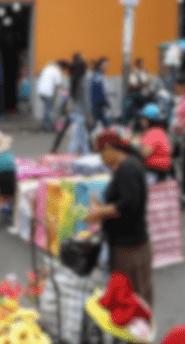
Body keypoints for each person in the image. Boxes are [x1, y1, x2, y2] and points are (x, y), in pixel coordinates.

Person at [85, 129, 153, 311]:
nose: (101, 159)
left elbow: (129, 204)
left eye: (101, 153)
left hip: (130, 247)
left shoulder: (127, 168)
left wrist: (99, 213)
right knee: (132, 297)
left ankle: (138, 337)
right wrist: (100, 206)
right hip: (128, 244)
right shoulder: (126, 165)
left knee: (132, 299)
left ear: (109, 147)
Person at [136, 103, 172, 183]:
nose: (141, 121)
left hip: (154, 171)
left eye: (143, 118)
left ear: (148, 120)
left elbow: (145, 153)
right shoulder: (160, 131)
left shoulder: (153, 133)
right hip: (161, 170)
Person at [67, 55, 92, 155]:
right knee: (76, 139)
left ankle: (87, 156)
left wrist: (68, 103)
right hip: (81, 114)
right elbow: (86, 101)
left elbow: (68, 94)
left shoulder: (73, 79)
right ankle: (69, 157)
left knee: (83, 138)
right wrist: (89, 116)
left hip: (73, 112)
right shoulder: (83, 82)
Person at [37, 60, 69, 132]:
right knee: (51, 111)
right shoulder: (57, 71)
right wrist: (65, 99)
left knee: (47, 109)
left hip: (41, 91)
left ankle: (47, 126)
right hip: (48, 92)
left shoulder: (48, 68)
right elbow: (60, 85)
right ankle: (48, 127)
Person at [91, 57, 111, 129]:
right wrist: (106, 103)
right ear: (100, 66)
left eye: (107, 65)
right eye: (105, 65)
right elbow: (100, 92)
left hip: (97, 105)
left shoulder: (98, 75)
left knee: (106, 125)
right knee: (107, 125)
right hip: (98, 105)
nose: (107, 67)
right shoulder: (98, 76)